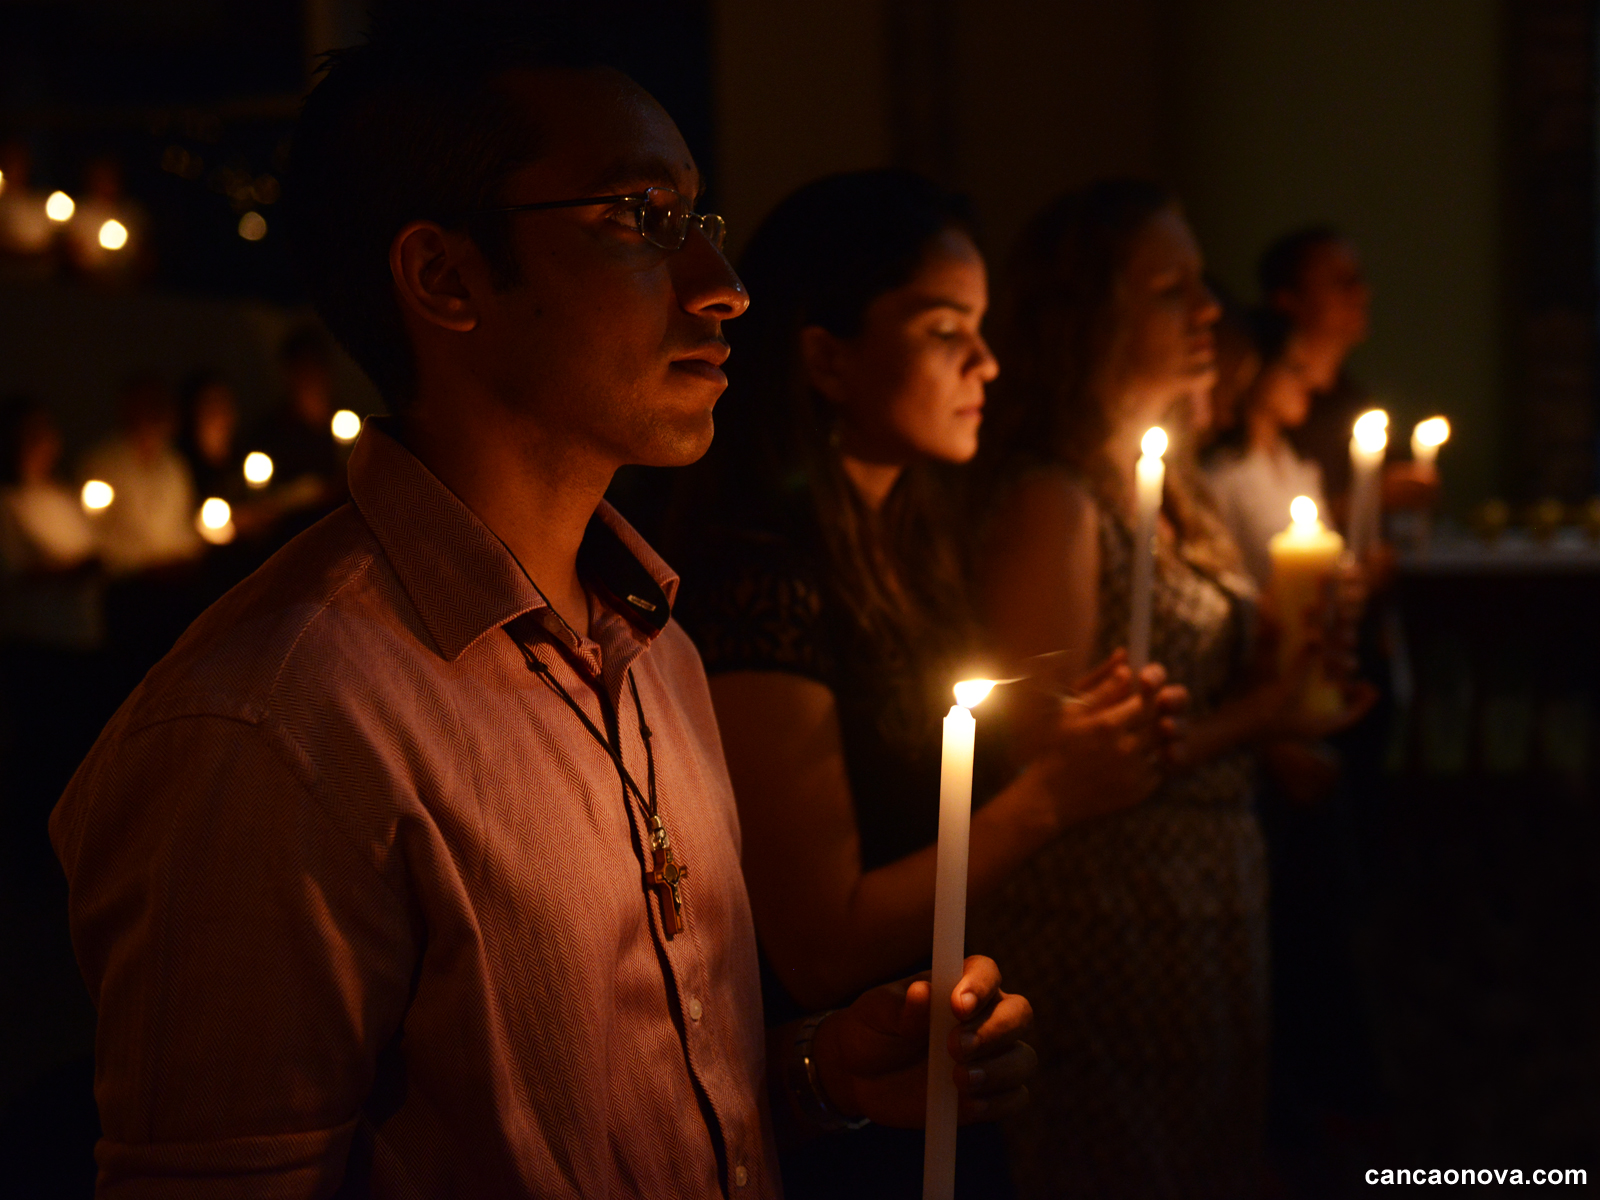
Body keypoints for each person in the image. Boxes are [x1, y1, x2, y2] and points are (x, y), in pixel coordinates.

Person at [49, 11, 1036, 1197]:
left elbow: (574, 1115)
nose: (723, 290)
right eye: (641, 219)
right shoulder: (273, 731)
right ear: (444, 277)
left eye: (702, 222)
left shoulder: (647, 638)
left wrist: (816, 1073)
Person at [673, 170, 1182, 1199]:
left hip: (934, 1057)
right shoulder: (760, 572)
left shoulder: (907, 539)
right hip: (840, 1095)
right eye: (947, 329)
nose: (987, 365)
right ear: (825, 354)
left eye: (984, 329)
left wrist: (1076, 736)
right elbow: (817, 943)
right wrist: (1050, 798)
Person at [971, 180, 1373, 1199]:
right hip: (1107, 913)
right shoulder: (1052, 497)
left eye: (1201, 286)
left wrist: (1286, 645)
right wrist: (1262, 714)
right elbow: (1051, 762)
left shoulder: (1168, 488)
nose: (1207, 311)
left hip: (1205, 894)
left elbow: (1192, 683)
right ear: (1088, 315)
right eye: (1170, 290)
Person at [0, 396, 100, 647]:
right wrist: (73, 570)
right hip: (36, 636)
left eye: (48, 430)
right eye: (33, 432)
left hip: (81, 632)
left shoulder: (64, 496)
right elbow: (15, 573)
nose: (45, 440)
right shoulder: (8, 502)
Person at [78, 374, 202, 575]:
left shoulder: (174, 465)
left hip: (179, 578)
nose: (154, 415)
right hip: (129, 582)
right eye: (147, 406)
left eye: (159, 406)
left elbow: (184, 525)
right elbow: (94, 535)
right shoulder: (101, 465)